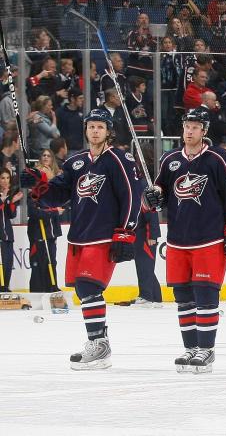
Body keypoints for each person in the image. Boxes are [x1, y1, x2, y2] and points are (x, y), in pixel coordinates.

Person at [19, 109, 144, 370]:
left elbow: (131, 194)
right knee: (83, 290)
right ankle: (100, 341)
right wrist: (39, 184)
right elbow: (58, 196)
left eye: (100, 126)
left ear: (108, 131)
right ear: (85, 130)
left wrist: (125, 232)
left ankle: (98, 344)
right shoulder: (76, 162)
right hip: (79, 236)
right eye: (91, 126)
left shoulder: (118, 158)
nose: (95, 131)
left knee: (89, 286)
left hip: (103, 236)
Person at [142, 107, 226, 374]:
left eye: (195, 126)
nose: (189, 131)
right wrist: (152, 198)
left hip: (209, 239)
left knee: (206, 294)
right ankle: (190, 348)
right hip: (178, 240)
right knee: (183, 296)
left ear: (204, 130)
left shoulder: (217, 158)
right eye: (187, 126)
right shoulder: (170, 160)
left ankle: (206, 349)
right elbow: (159, 195)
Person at [130, 207, 162, 308]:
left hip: (145, 236)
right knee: (145, 266)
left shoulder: (144, 194)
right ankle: (156, 298)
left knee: (144, 265)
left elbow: (152, 215)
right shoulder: (139, 193)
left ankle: (146, 297)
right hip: (139, 235)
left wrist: (152, 235)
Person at [0, 170, 19, 292]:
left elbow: (11, 215)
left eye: (7, 178)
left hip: (7, 236)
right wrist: (2, 200)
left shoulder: (10, 196)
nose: (6, 181)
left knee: (7, 263)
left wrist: (10, 201)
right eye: (2, 178)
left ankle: (5, 287)